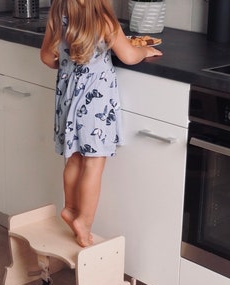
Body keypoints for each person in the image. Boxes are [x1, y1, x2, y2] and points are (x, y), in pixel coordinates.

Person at [40, 0, 162, 247]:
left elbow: (46, 57)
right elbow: (128, 55)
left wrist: (64, 62)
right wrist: (145, 51)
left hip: (67, 99)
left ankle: (71, 208)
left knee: (74, 157)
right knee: (94, 163)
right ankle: (84, 222)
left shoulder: (58, 13)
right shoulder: (104, 19)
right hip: (95, 106)